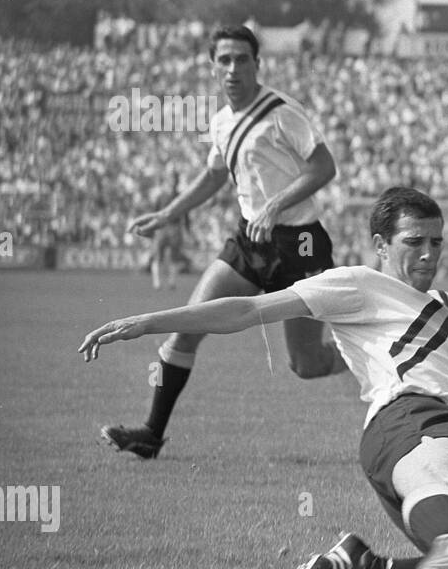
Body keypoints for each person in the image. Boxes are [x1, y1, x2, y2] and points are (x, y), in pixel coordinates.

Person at [80, 186, 448, 569]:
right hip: (407, 424)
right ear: (381, 246)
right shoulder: (355, 284)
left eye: (436, 242)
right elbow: (251, 309)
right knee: (443, 462)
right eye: (414, 242)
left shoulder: (442, 304)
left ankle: (372, 563)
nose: (429, 254)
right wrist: (151, 321)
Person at [101, 24, 344, 460]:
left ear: (257, 65)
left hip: (300, 244)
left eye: (242, 59)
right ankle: (151, 434)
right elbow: (215, 175)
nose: (233, 68)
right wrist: (169, 213)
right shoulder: (220, 121)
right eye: (224, 60)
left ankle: (376, 357)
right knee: (185, 327)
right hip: (249, 241)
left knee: (305, 365)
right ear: (213, 68)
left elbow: (324, 168)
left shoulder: (282, 112)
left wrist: (274, 207)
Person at [150, 172, 190, 292]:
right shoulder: (161, 196)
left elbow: (186, 214)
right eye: (172, 179)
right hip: (162, 229)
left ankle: (172, 282)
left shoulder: (180, 196)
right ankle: (157, 282)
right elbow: (154, 214)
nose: (173, 182)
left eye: (175, 179)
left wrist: (187, 229)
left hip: (175, 228)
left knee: (174, 256)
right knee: (158, 256)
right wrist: (152, 229)